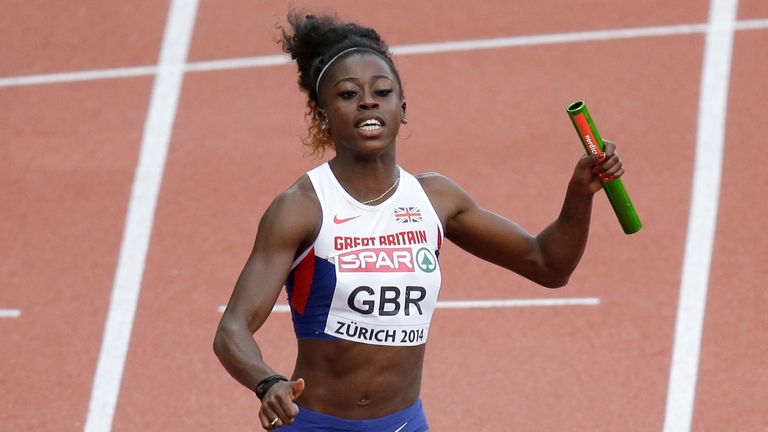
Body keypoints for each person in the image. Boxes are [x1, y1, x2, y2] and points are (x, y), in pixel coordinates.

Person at [213, 11, 625, 432]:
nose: (368, 101)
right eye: (348, 94)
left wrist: (579, 195)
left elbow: (548, 264)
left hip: (403, 425)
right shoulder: (302, 207)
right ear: (322, 115)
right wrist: (267, 383)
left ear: (402, 108)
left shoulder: (435, 199)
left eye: (382, 91)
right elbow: (233, 329)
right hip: (314, 424)